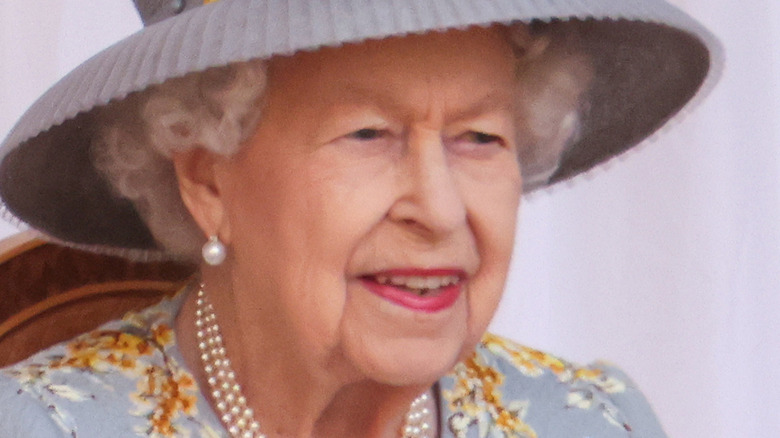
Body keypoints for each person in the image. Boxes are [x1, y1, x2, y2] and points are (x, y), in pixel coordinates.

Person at [0, 0, 719, 437]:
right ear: (207, 177)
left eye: (480, 137)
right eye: (368, 134)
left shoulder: (589, 424)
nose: (440, 211)